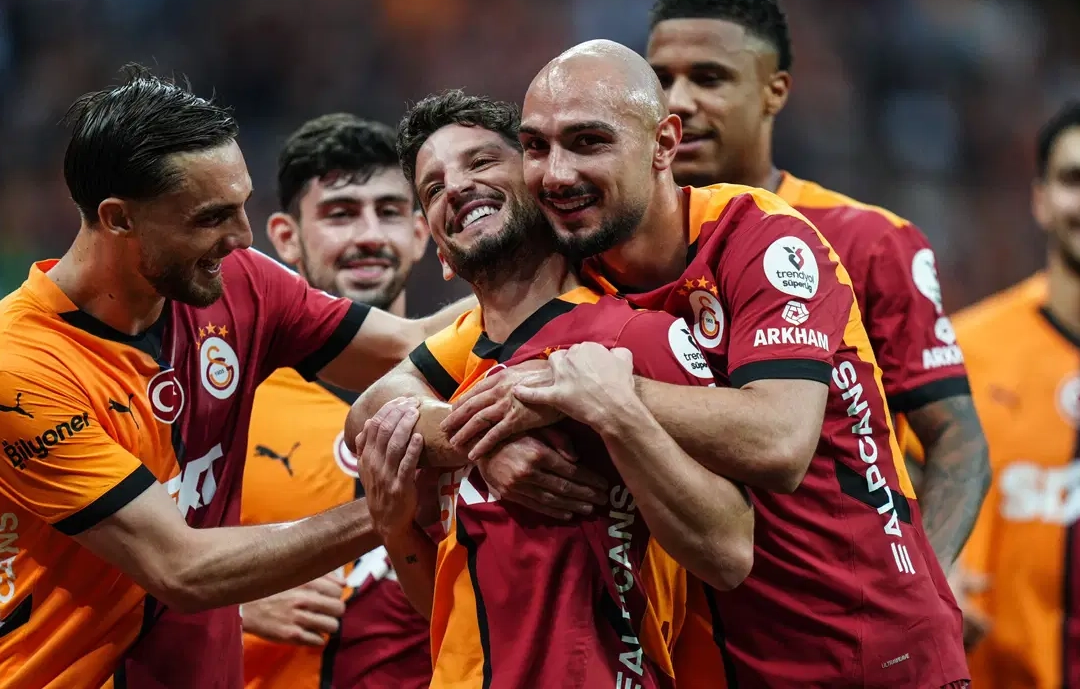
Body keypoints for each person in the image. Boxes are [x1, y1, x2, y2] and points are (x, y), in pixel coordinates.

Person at [419, 42, 969, 687]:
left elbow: (779, 443)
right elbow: (397, 382)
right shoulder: (577, 272)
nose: (557, 174)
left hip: (870, 653)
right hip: (722, 663)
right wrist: (483, 438)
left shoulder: (759, 236)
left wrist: (591, 394)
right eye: (536, 147)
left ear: (664, 144)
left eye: (589, 142)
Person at [0, 65, 472, 689]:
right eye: (210, 218)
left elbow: (414, 346)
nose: (243, 237)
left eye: (243, 205)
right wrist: (388, 508)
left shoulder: (240, 282)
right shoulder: (20, 367)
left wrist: (556, 273)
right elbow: (181, 570)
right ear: (117, 219)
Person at [349, 89, 755, 689]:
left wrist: (613, 412)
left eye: (481, 162)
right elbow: (455, 615)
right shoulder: (465, 366)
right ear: (441, 253)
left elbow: (730, 551)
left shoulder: (634, 337)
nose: (456, 187)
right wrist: (400, 525)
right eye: (433, 189)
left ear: (544, 190)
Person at [645, 0, 989, 575]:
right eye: (661, 80)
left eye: (709, 78)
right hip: (673, 612)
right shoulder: (622, 245)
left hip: (830, 610)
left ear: (774, 91)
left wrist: (921, 586)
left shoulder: (870, 242)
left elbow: (957, 443)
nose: (678, 101)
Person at [238, 114, 432, 689]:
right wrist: (228, 604)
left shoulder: (472, 384)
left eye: (389, 211)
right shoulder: (228, 396)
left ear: (421, 233)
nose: (369, 235)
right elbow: (111, 558)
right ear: (285, 237)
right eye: (340, 213)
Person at [902, 101, 1080, 688]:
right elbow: (892, 499)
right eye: (1073, 180)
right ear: (1040, 200)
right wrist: (937, 568)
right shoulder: (965, 353)